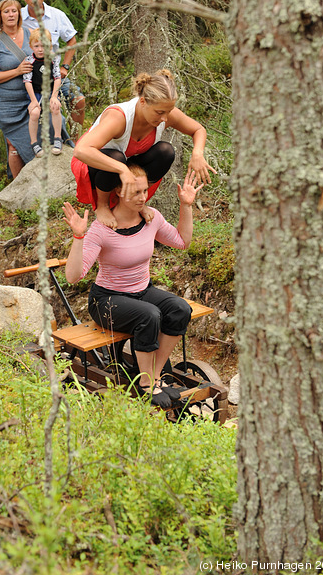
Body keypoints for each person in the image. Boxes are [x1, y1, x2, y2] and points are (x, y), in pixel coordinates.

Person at [63, 163, 203, 408]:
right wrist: (78, 236)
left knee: (179, 309)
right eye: (136, 192)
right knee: (150, 315)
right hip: (106, 300)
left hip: (142, 292)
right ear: (117, 191)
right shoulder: (102, 229)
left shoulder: (151, 218)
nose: (143, 197)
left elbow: (182, 241)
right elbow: (74, 276)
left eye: (145, 191)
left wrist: (186, 205)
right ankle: (147, 384)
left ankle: (156, 375)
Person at [71, 69, 216, 228]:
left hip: (126, 162)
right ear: (142, 102)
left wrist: (197, 153)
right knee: (116, 158)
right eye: (159, 112)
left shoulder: (165, 114)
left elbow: (198, 129)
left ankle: (137, 203)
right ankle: (103, 205)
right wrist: (122, 169)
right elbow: (81, 151)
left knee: (165, 152)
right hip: (94, 164)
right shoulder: (119, 117)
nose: (165, 119)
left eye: (168, 112)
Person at [21, 0, 85, 137]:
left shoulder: (57, 16)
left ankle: (76, 142)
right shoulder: (18, 16)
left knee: (78, 99)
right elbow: (0, 34)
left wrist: (65, 67)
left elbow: (72, 40)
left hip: (53, 74)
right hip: (29, 74)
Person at [0, 0, 35, 179]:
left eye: (14, 11)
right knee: (13, 143)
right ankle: (18, 187)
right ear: (0, 16)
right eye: (6, 11)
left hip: (31, 97)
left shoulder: (30, 33)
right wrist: (17, 71)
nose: (11, 15)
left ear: (19, 13)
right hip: (7, 104)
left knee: (36, 138)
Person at [23, 29, 63, 158]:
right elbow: (27, 81)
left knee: (55, 107)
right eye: (37, 46)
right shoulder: (29, 60)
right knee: (34, 113)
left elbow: (57, 78)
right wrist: (34, 100)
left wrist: (54, 96)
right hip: (36, 93)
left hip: (51, 92)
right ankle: (34, 142)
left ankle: (58, 138)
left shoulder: (53, 59)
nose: (40, 49)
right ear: (31, 46)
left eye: (44, 46)